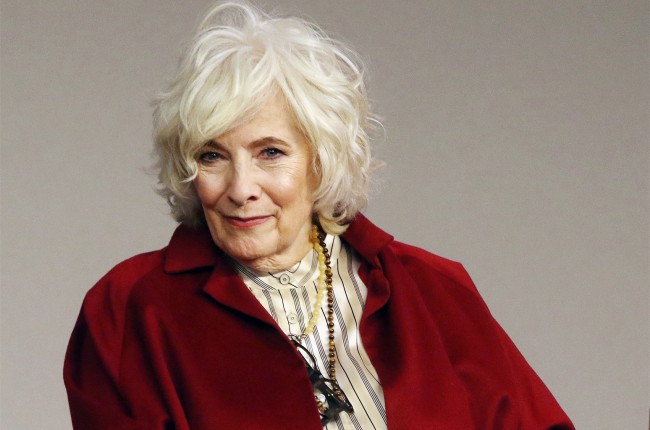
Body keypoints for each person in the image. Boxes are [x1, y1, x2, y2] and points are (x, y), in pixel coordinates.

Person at [64, 2, 574, 429]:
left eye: (270, 153)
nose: (241, 189)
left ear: (321, 161)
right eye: (212, 156)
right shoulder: (129, 311)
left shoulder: (431, 290)